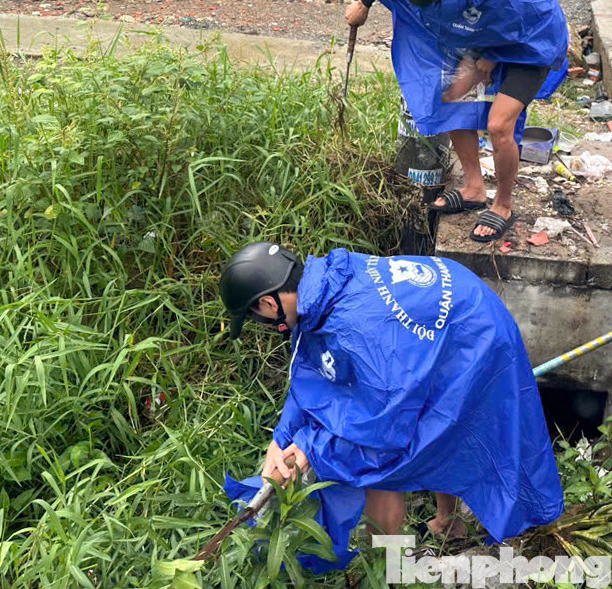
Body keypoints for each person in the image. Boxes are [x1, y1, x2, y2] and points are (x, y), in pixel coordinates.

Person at [218, 242, 564, 571]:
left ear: (267, 304)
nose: (263, 327)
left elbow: (382, 426)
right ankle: (448, 524)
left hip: (474, 333)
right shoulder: (319, 290)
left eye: (256, 319)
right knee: (437, 428)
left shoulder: (352, 325)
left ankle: (387, 568)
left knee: (395, 458)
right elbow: (312, 374)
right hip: (445, 316)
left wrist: (313, 445)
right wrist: (280, 439)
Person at [345, 0, 569, 242]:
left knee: (499, 124)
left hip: (531, 38)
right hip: (479, 30)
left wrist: (489, 56)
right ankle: (474, 188)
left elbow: (518, 24)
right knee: (451, 97)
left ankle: (503, 205)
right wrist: (364, 2)